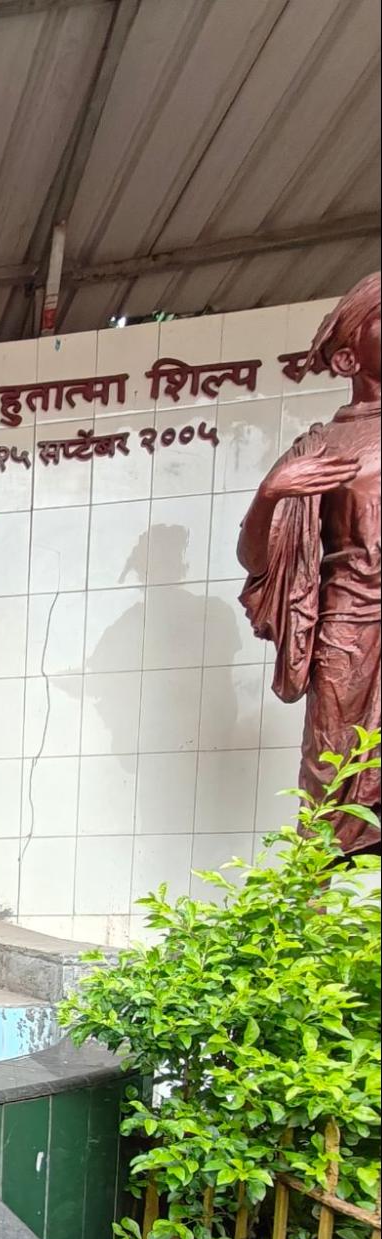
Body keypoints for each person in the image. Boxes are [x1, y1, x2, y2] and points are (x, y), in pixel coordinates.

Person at [238, 272, 380, 854]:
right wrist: (271, 493)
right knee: (334, 786)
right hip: (350, 634)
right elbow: (256, 560)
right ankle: (318, 924)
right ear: (348, 356)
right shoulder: (321, 448)